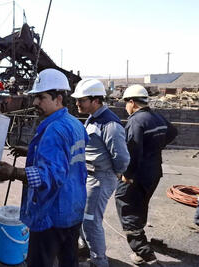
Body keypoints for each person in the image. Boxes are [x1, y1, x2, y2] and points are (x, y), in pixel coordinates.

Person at [0, 68, 89, 267]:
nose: (35, 103)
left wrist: (13, 172)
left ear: (58, 98)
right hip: (73, 206)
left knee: (40, 261)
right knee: (69, 259)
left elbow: (52, 175)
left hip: (52, 212)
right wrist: (31, 150)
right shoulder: (74, 124)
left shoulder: (53, 130)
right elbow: (67, 157)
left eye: (41, 97)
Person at [115, 84, 177, 265]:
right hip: (154, 173)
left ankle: (144, 254)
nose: (126, 107)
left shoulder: (136, 121)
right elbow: (173, 132)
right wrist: (155, 146)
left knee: (126, 207)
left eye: (126, 103)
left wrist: (127, 173)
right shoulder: (156, 117)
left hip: (137, 175)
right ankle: (141, 237)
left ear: (132, 102)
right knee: (141, 205)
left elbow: (132, 150)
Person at [71, 79, 130, 267]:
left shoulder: (110, 124)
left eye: (82, 100)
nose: (77, 104)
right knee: (83, 216)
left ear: (96, 100)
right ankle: (85, 247)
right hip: (90, 176)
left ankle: (99, 261)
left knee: (91, 221)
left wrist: (113, 173)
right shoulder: (94, 118)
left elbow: (122, 158)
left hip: (100, 178)